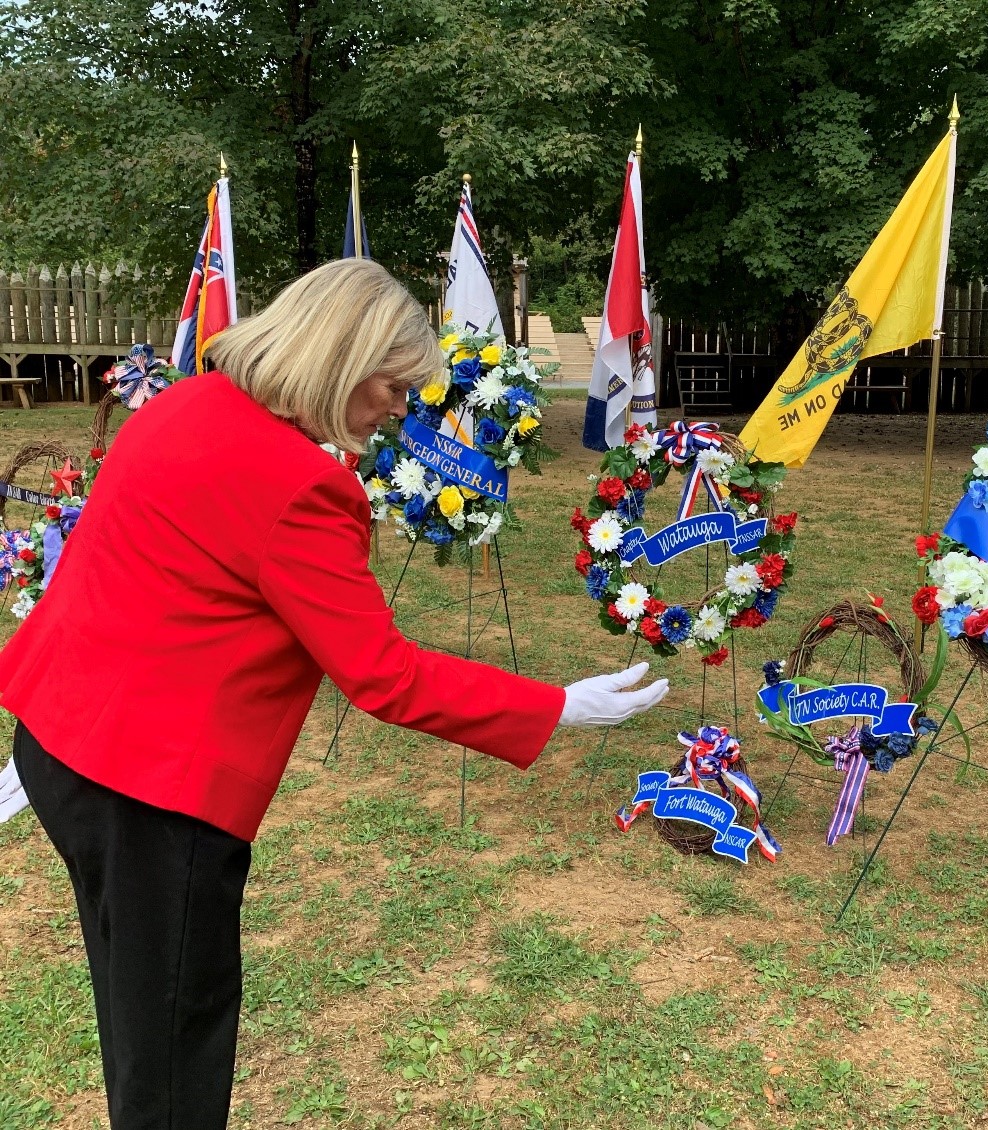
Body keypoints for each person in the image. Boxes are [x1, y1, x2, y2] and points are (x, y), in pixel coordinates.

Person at [0, 258, 667, 1129]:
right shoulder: (299, 485)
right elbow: (386, 676)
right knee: (171, 1046)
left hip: (61, 741)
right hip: (154, 792)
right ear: (341, 359)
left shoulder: (183, 404)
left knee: (137, 1009)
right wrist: (559, 706)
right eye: (393, 387)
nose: (399, 409)